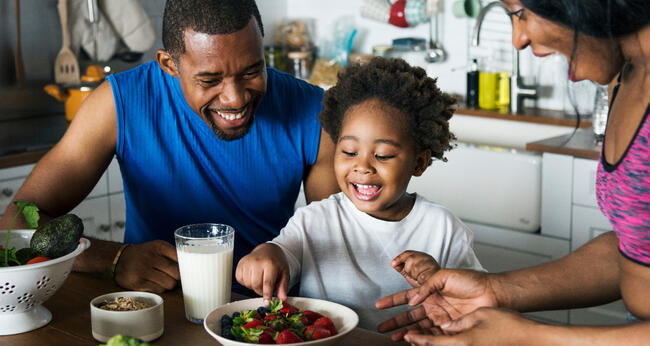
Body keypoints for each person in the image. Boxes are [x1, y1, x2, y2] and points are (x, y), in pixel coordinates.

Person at [0, 0, 339, 293]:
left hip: (264, 314)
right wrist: (113, 259)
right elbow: (16, 220)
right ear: (169, 64)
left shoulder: (315, 112)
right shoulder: (119, 104)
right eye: (210, 80)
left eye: (252, 71)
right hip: (160, 307)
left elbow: (337, 241)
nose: (235, 98)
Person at [375, 0, 650, 344]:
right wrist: (494, 290)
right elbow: (635, 245)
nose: (517, 39)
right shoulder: (626, 76)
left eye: (520, 13)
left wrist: (531, 337)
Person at [235, 57, 484, 330]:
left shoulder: (444, 229)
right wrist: (266, 254)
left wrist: (439, 279)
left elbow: (479, 306)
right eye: (349, 152)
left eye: (383, 155)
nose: (362, 166)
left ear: (419, 163)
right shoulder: (314, 219)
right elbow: (283, 253)